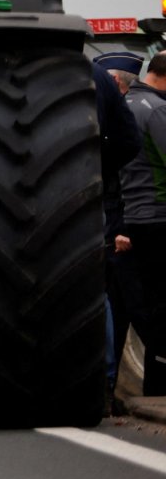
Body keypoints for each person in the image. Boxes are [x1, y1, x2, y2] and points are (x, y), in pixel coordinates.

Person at [119, 51, 166, 397]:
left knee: (150, 305)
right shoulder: (158, 110)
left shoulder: (128, 104)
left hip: (134, 216)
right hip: (160, 215)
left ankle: (155, 385)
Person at [98, 47, 144, 404]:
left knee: (118, 302)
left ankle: (112, 380)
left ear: (115, 81)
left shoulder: (131, 115)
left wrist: (122, 226)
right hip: (114, 220)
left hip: (120, 221)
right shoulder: (125, 115)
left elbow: (129, 183)